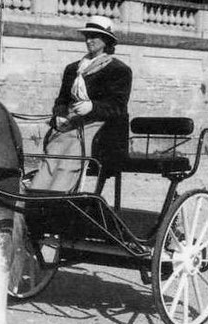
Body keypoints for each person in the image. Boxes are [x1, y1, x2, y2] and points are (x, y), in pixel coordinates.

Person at [31, 15, 132, 192]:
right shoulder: (73, 69)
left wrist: (92, 107)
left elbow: (118, 107)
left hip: (101, 127)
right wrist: (60, 115)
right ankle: (36, 196)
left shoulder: (118, 70)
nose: (89, 40)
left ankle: (57, 198)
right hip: (71, 124)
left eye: (94, 36)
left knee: (71, 154)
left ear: (106, 40)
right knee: (52, 155)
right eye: (87, 36)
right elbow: (61, 101)